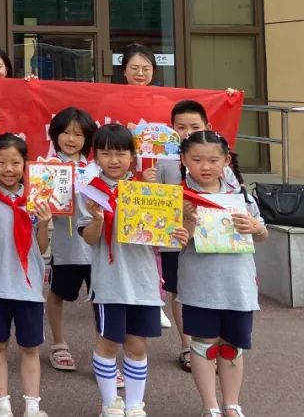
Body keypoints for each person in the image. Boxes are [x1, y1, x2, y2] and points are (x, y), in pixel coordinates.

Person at [80, 123, 188, 417]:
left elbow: (162, 236)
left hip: (143, 282)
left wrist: (177, 233)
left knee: (137, 345)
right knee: (108, 343)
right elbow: (88, 238)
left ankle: (134, 405)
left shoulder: (148, 191)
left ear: (133, 156)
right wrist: (97, 220)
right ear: (96, 157)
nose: (114, 160)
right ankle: (110, 404)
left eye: (121, 153)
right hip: (109, 282)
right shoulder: (91, 192)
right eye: (106, 154)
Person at [176, 131, 267, 417]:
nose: (205, 166)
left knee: (232, 346)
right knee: (203, 345)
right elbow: (171, 243)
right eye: (196, 159)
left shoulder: (240, 195)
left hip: (238, 285)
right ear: (183, 159)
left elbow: (262, 233)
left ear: (226, 160)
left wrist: (256, 227)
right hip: (200, 286)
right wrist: (187, 222)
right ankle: (210, 406)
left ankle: (231, 404)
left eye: (213, 160)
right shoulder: (179, 196)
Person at [0, 134, 51, 417]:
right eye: (1, 162)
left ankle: (32, 406)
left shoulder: (37, 197)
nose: (8, 168)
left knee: (30, 347)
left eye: (15, 162)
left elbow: (42, 248)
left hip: (29, 288)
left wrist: (44, 224)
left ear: (25, 164)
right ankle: (2, 403)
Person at [142, 99, 210, 372]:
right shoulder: (162, 161)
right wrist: (148, 185)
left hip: (209, 238)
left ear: (207, 127)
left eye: (195, 126)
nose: (187, 132)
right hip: (175, 239)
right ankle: (187, 347)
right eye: (180, 127)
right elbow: (152, 204)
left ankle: (211, 344)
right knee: (180, 292)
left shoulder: (217, 157)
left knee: (207, 290)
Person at [44, 107, 97, 375]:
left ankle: (105, 352)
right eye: (65, 132)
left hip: (98, 248)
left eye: (78, 134)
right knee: (58, 293)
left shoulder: (97, 168)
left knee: (102, 299)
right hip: (67, 246)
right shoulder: (48, 167)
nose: (71, 139)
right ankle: (58, 344)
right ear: (55, 135)